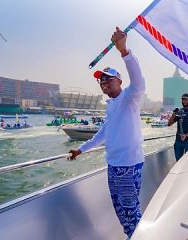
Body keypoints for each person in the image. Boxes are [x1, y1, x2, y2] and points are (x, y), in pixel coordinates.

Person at [68, 27, 145, 239]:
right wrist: (81, 150)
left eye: (108, 79)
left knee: (129, 212)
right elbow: (102, 134)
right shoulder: (111, 105)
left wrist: (124, 51)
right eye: (101, 80)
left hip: (128, 166)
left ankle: (137, 236)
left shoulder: (131, 97)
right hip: (113, 166)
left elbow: (138, 80)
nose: (103, 82)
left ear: (119, 81)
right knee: (121, 211)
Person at [168, 93, 188, 161]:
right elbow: (169, 124)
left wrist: (186, 135)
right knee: (178, 161)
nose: (184, 101)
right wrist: (173, 115)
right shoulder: (179, 111)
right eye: (183, 99)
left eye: (186, 99)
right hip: (178, 141)